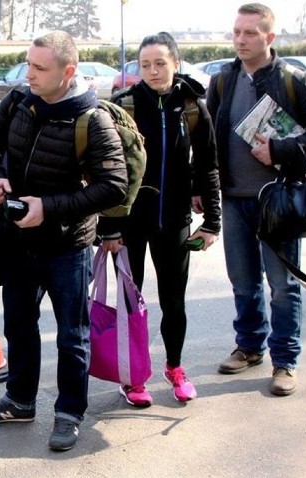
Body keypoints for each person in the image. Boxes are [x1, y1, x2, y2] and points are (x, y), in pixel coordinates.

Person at [0, 31, 128, 451]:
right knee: (19, 326)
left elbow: (115, 186)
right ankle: (19, 401)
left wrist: (50, 207)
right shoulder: (19, 100)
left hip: (67, 247)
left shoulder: (93, 120)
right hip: (18, 241)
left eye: (40, 68)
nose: (30, 74)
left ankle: (69, 413)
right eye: (28, 64)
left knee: (71, 335)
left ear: (68, 72)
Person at [206, 3, 306, 396]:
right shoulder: (222, 80)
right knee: (243, 283)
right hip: (233, 198)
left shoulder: (293, 79)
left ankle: (285, 361)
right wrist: (204, 187)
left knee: (282, 285)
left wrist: (280, 150)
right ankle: (249, 347)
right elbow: (210, 138)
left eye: (249, 33)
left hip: (279, 200)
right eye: (236, 32)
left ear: (269, 37)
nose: (241, 40)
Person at [102, 32, 221, 407]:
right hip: (130, 223)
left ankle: (175, 367)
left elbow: (208, 166)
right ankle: (133, 376)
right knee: (130, 303)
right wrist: (109, 227)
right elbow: (104, 171)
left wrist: (213, 222)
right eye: (145, 65)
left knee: (174, 301)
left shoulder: (192, 108)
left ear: (176, 63)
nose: (153, 71)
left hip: (174, 221)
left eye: (160, 63)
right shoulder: (122, 108)